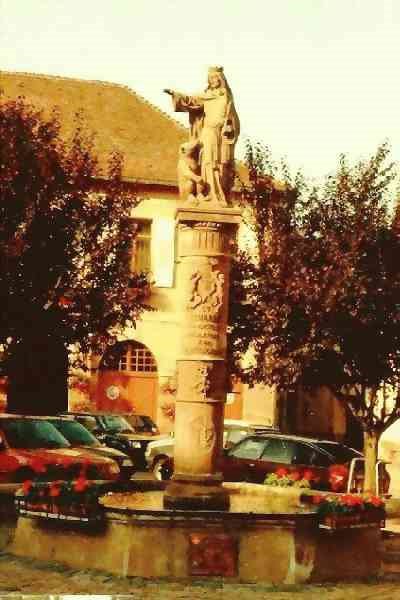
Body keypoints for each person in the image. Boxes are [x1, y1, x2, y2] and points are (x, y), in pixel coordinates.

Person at [164, 66, 240, 205]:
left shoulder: (227, 96)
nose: (213, 80)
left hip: (222, 134)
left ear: (221, 79)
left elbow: (233, 117)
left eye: (216, 78)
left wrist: (230, 125)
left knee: (222, 164)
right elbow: (191, 101)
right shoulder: (205, 96)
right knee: (208, 161)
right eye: (211, 78)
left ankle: (221, 193)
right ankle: (210, 193)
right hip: (208, 132)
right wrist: (176, 95)